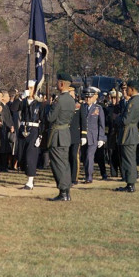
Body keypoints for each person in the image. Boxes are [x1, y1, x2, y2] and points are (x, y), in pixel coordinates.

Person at [47, 72, 75, 201]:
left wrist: (48, 106)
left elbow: (50, 117)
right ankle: (66, 191)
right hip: (65, 134)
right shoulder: (70, 99)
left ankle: (63, 192)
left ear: (62, 84)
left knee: (58, 164)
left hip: (57, 135)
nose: (56, 83)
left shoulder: (60, 100)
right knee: (64, 163)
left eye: (58, 82)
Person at [115, 80, 139, 192]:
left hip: (128, 132)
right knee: (129, 158)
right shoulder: (138, 101)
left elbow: (126, 119)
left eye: (127, 89)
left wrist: (117, 118)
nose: (126, 91)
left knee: (128, 159)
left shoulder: (133, 102)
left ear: (132, 89)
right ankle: (129, 182)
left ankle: (130, 183)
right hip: (132, 131)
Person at [18, 80, 44, 190]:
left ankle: (30, 182)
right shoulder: (23, 102)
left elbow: (42, 120)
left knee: (31, 156)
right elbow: (14, 108)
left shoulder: (39, 103)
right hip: (23, 129)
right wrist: (20, 98)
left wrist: (40, 135)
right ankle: (29, 177)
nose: (29, 90)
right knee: (22, 155)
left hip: (34, 130)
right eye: (28, 88)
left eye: (31, 88)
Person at [79, 87, 106, 184]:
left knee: (89, 156)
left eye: (90, 97)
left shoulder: (98, 108)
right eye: (86, 97)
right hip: (83, 136)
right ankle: (87, 175)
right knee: (84, 156)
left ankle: (89, 177)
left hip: (94, 137)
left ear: (93, 98)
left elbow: (101, 124)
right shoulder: (82, 107)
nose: (88, 99)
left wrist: (101, 138)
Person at [68, 85, 81, 185]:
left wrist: (84, 134)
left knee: (74, 155)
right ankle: (68, 177)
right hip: (66, 134)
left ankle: (74, 178)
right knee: (67, 157)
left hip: (76, 135)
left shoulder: (79, 105)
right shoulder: (64, 103)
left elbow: (83, 121)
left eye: (71, 92)